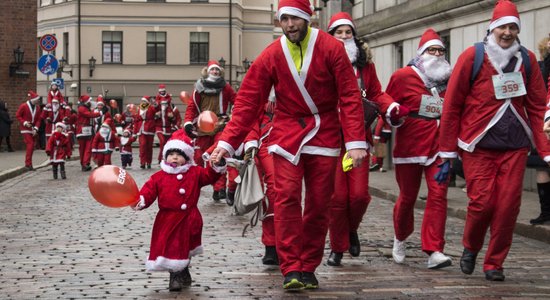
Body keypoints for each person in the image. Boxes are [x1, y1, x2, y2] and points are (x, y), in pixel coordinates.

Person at [210, 0, 369, 290]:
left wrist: (356, 142)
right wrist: (226, 142)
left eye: (295, 18)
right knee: (285, 199)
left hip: (325, 131)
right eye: (284, 19)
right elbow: (247, 102)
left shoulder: (332, 49)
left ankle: (309, 266)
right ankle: (291, 268)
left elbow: (348, 96)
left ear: (307, 18)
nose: (290, 25)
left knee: (320, 204)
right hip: (285, 134)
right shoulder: (271, 54)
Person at [439, 0, 549, 281]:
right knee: (482, 204)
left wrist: (545, 149)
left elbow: (537, 106)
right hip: (478, 146)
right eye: (502, 26)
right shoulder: (472, 57)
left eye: (513, 27)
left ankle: (494, 263)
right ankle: (471, 247)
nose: (508, 32)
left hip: (514, 146)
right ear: (492, 28)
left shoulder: (527, 60)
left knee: (508, 208)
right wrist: (447, 151)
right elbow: (451, 105)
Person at [324, 12, 400, 267]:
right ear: (330, 36)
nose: (344, 37)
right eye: (339, 33)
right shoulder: (321, 63)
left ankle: (351, 229)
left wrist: (390, 107)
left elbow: (377, 93)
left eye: (348, 33)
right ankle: (337, 247)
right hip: (331, 140)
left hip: (359, 139)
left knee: (358, 196)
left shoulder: (365, 66)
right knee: (336, 198)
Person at [386, 28, 453, 269]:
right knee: (407, 198)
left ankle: (434, 249)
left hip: (439, 147)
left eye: (440, 50)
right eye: (432, 50)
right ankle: (400, 237)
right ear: (422, 53)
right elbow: (387, 104)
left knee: (438, 195)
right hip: (410, 146)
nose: (436, 54)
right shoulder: (403, 76)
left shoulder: (449, 79)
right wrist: (393, 117)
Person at [132, 131, 226, 292]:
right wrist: (141, 200)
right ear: (165, 156)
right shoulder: (158, 177)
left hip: (190, 218)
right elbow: (148, 192)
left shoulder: (195, 173)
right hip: (168, 219)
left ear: (187, 157)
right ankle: (174, 276)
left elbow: (209, 176)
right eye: (171, 154)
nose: (174, 157)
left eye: (179, 154)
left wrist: (217, 165)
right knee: (172, 247)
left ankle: (183, 269)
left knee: (185, 247)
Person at [184, 60, 236, 201]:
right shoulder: (198, 88)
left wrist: (235, 115)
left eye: (217, 70)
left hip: (221, 123)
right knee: (201, 156)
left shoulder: (225, 88)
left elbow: (237, 100)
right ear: (207, 71)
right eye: (212, 70)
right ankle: (211, 184)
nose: (215, 72)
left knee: (218, 155)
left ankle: (220, 188)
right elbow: (191, 108)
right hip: (203, 125)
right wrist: (188, 123)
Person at [528, 34, 550, 225]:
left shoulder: (540, 67)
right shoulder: (541, 68)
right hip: (544, 121)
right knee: (542, 167)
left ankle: (545, 213)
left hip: (543, 121)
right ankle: (545, 212)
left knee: (542, 167)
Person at [16, 91, 43, 170]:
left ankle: (29, 164)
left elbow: (38, 119)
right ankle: (28, 164)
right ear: (33, 99)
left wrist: (36, 128)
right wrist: (24, 122)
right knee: (30, 144)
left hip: (32, 128)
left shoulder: (37, 108)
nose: (38, 101)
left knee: (32, 146)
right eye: (37, 100)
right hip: (25, 128)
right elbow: (18, 115)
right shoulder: (24, 106)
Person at [76, 94, 102, 171]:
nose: (90, 102)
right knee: (82, 148)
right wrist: (99, 113)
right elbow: (89, 115)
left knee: (88, 148)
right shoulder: (81, 108)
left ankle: (86, 163)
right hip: (82, 130)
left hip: (88, 130)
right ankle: (83, 163)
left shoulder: (87, 108)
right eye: (89, 101)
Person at [133, 96, 157, 169]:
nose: (143, 103)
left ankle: (149, 162)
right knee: (142, 146)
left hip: (149, 129)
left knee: (149, 147)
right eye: (142, 101)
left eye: (144, 101)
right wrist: (135, 131)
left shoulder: (151, 108)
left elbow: (155, 110)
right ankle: (142, 162)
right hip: (141, 129)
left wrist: (153, 104)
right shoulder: (139, 108)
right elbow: (136, 120)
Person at [155, 95, 177, 164]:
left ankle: (165, 158)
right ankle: (160, 159)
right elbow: (151, 119)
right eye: (162, 103)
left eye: (165, 103)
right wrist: (156, 116)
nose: (164, 105)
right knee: (162, 142)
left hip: (168, 129)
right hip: (159, 128)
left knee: (167, 144)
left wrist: (172, 117)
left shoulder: (170, 109)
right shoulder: (157, 109)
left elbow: (174, 120)